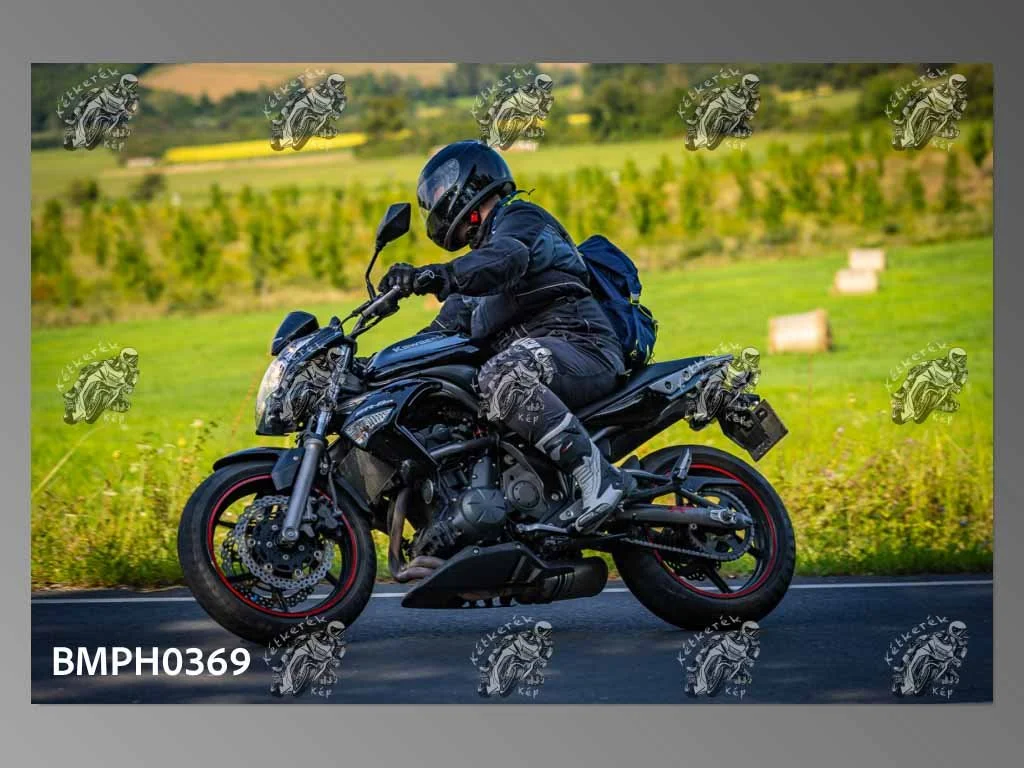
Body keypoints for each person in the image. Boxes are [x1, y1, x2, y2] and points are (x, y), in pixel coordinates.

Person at [377, 140, 632, 535]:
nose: (437, 201)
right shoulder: (474, 276)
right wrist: (375, 371)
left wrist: (435, 275)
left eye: (441, 188)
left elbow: (507, 258)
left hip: (582, 345)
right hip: (541, 360)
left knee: (501, 375)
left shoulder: (520, 219)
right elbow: (438, 336)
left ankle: (599, 477)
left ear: (469, 182)